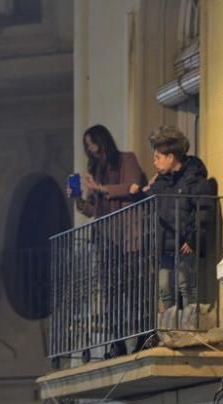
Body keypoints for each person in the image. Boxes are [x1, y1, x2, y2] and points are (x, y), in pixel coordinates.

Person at [68, 125, 146, 358]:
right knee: (111, 292)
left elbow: (134, 187)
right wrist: (77, 198)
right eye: (87, 146)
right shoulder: (98, 171)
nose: (91, 150)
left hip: (128, 235)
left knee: (134, 288)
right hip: (105, 239)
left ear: (103, 142)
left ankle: (142, 337)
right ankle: (117, 342)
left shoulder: (127, 159)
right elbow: (91, 209)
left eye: (92, 143)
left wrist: (101, 188)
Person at [132, 127, 213, 332]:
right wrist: (136, 195)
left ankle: (190, 328)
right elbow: (149, 201)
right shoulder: (161, 182)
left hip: (185, 243)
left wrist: (194, 238)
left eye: (158, 157)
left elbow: (202, 210)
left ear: (170, 157)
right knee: (164, 288)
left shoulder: (194, 178)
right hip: (164, 244)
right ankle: (171, 329)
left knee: (186, 286)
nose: (154, 162)